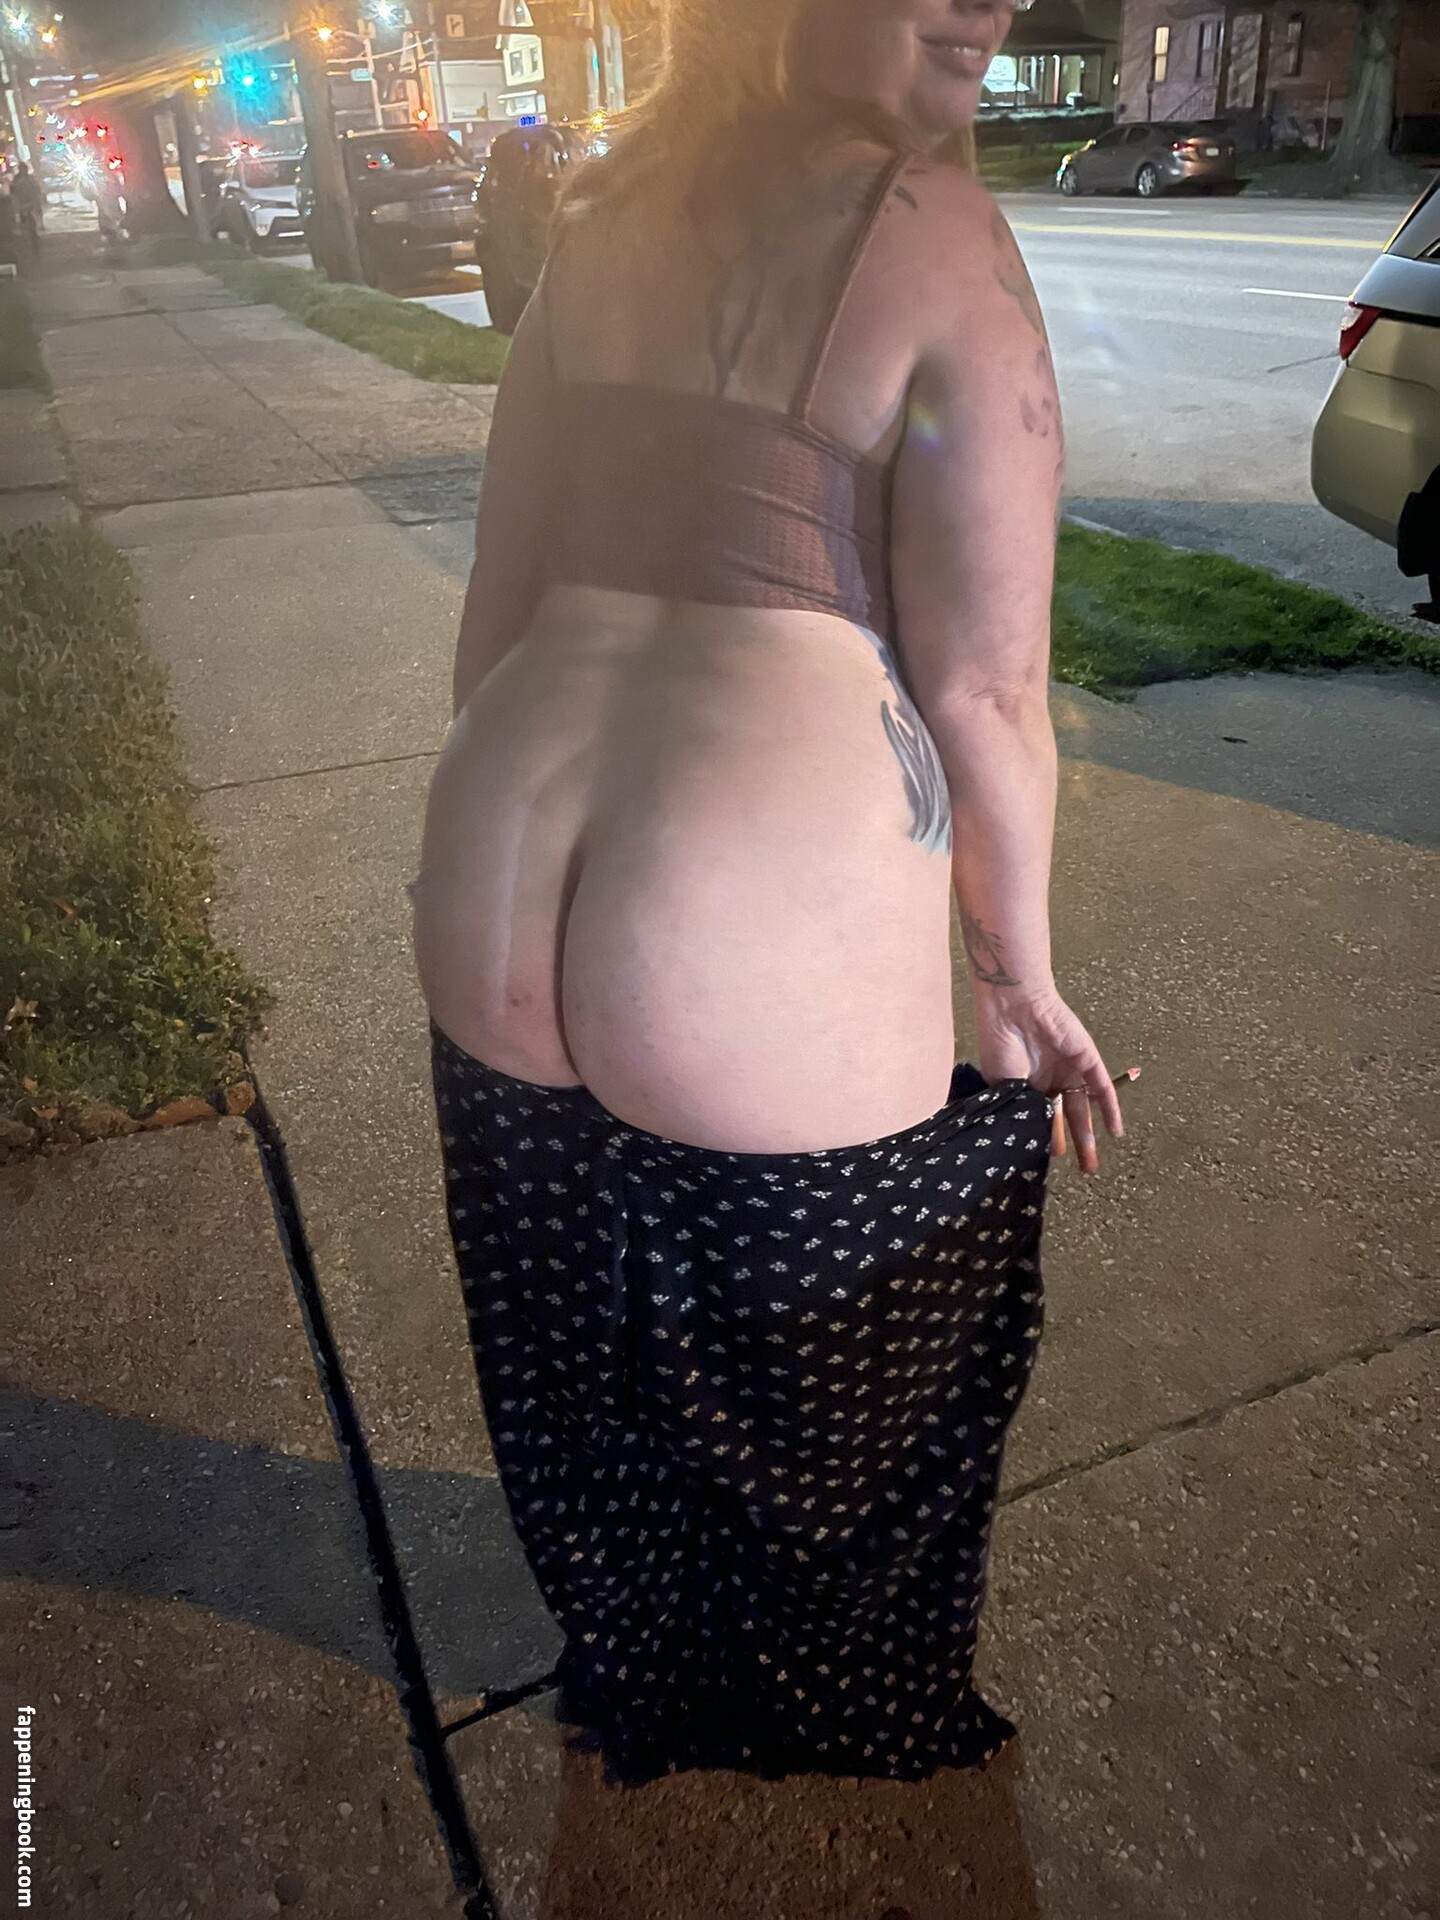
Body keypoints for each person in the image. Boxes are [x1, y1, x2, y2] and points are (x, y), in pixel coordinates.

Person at [413, 0, 1130, 1784]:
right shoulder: (940, 232)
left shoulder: (602, 207)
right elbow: (988, 691)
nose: (987, 3)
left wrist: (512, 855)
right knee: (841, 1412)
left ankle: (637, 1669)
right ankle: (803, 1753)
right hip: (741, 902)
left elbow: (498, 596)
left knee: (577, 1373)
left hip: (497, 861)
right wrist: (1017, 977)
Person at [9, 162, 41, 246]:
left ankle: (33, 232)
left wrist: (36, 197)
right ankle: (25, 232)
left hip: (30, 200)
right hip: (21, 201)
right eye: (21, 169)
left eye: (24, 169)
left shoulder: (30, 178)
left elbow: (36, 188)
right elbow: (13, 190)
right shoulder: (16, 179)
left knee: (31, 215)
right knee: (23, 216)